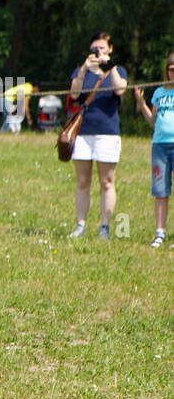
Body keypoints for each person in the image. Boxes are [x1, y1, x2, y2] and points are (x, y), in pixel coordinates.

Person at [67, 32, 128, 240]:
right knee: (83, 181)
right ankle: (80, 225)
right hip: (83, 133)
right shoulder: (81, 70)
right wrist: (85, 68)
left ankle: (105, 227)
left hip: (107, 134)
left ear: (110, 49)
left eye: (103, 48)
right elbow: (74, 94)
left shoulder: (117, 70)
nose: (99, 52)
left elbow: (120, 90)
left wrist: (109, 67)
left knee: (106, 182)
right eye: (95, 48)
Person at [135, 51, 174, 248]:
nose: (173, 74)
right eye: (171, 70)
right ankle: (160, 233)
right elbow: (152, 119)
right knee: (160, 190)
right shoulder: (159, 93)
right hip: (160, 145)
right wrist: (141, 103)